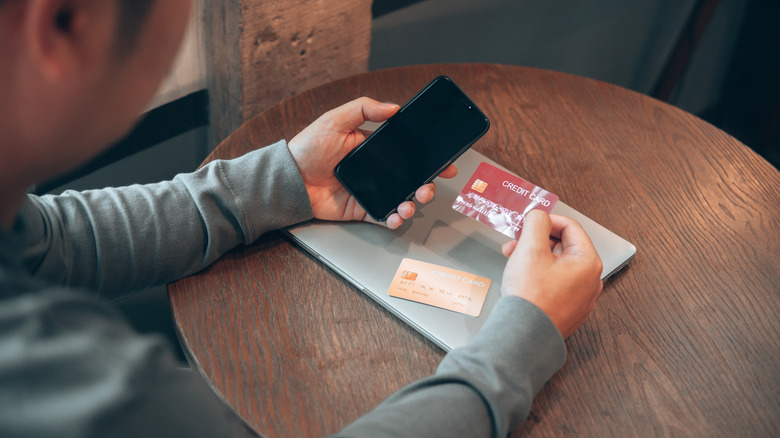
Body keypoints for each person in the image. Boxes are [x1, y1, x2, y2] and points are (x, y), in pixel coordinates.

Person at [0, 1, 603, 437]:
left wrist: (284, 181)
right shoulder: (95, 393)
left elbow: (48, 243)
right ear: (63, 21)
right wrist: (522, 337)